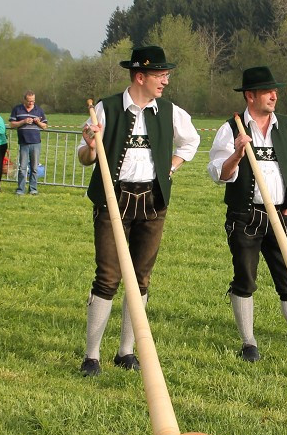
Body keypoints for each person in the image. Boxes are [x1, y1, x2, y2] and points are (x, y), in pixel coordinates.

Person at [76, 45, 200, 377]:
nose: (166, 81)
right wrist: (90, 146)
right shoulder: (107, 108)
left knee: (141, 278)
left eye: (166, 75)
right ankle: (91, 356)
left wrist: (171, 167)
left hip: (153, 200)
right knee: (108, 277)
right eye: (161, 75)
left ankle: (126, 351)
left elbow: (191, 142)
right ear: (140, 76)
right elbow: (85, 158)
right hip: (112, 199)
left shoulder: (171, 111)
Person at [207, 66, 287, 363]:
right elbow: (219, 174)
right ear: (250, 95)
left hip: (281, 215)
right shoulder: (231, 129)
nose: (274, 95)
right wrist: (237, 155)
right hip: (245, 216)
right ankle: (249, 343)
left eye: (275, 91)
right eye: (267, 91)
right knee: (245, 279)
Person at [9, 90, 48, 195]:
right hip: (23, 143)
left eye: (33, 101)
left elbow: (45, 126)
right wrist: (23, 121)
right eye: (29, 101)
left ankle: (33, 189)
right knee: (22, 168)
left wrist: (38, 122)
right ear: (24, 100)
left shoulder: (38, 110)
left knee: (34, 168)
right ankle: (20, 189)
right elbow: (12, 124)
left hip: (36, 142)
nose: (31, 103)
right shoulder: (17, 109)